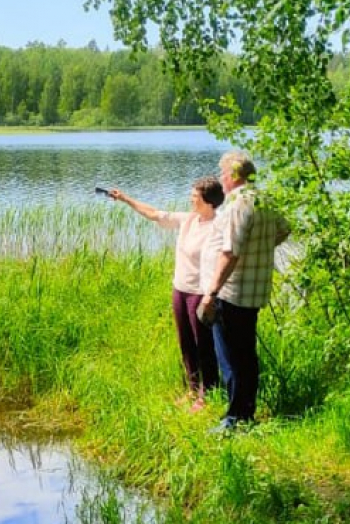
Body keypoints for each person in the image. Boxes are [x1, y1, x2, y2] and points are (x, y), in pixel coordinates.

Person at [103, 177, 225, 405]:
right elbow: (154, 214)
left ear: (209, 201)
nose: (190, 199)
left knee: (204, 344)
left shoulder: (218, 227)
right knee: (186, 342)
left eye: (195, 196)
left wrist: (213, 294)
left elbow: (227, 259)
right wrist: (125, 199)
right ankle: (192, 389)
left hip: (201, 293)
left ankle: (206, 395)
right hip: (180, 290)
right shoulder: (188, 220)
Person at [199, 152, 291, 430]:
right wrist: (259, 250)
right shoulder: (265, 199)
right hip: (256, 290)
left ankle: (235, 419)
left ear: (235, 176)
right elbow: (284, 230)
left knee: (231, 358)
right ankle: (245, 412)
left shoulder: (238, 205)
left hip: (233, 293)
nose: (220, 178)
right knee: (246, 354)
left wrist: (211, 293)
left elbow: (229, 253)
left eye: (223, 173)